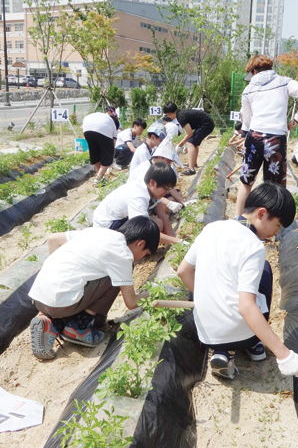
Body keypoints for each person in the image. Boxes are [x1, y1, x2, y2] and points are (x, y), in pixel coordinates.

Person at [177, 182, 298, 381]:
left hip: (206, 333)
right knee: (265, 271)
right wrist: (283, 354)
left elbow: (183, 271)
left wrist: (209, 299)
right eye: (277, 226)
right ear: (262, 213)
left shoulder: (211, 228)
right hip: (238, 333)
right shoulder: (254, 246)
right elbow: (246, 306)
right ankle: (254, 342)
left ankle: (224, 352)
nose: (275, 233)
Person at [28, 216, 159, 359]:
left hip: (39, 297)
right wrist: (154, 293)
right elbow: (132, 302)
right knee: (114, 276)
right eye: (146, 254)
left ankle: (53, 323)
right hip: (59, 304)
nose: (143, 258)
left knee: (95, 274)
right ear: (140, 244)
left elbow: (53, 239)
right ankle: (80, 327)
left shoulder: (97, 232)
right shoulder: (122, 253)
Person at [235, 54, 298, 218]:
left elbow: (247, 121)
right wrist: (297, 119)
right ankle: (272, 225)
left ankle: (239, 219)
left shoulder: (248, 89)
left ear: (254, 71)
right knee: (274, 186)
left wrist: (245, 136)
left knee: (246, 181)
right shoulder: (283, 82)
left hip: (254, 136)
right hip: (275, 138)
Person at [93, 162, 181, 244]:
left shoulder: (150, 190)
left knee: (158, 223)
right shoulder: (138, 196)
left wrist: (174, 241)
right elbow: (144, 230)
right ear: (152, 182)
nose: (166, 192)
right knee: (152, 228)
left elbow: (163, 216)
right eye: (166, 189)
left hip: (119, 220)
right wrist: (178, 242)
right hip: (107, 229)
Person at [163, 102, 215, 176]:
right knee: (194, 142)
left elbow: (189, 134)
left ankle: (191, 169)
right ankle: (194, 163)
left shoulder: (181, 117)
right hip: (205, 123)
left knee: (190, 143)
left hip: (206, 124)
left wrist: (180, 143)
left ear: (169, 114)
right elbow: (188, 131)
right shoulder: (180, 114)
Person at [129, 143, 186, 211]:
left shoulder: (160, 169)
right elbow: (151, 192)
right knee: (167, 204)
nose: (170, 165)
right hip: (143, 199)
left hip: (155, 193)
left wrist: (184, 203)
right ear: (160, 157)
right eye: (168, 161)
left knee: (178, 194)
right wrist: (169, 203)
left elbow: (169, 187)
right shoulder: (145, 170)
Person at [81, 111, 118, 185]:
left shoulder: (102, 117)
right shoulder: (113, 124)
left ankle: (100, 178)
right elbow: (112, 145)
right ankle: (98, 178)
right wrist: (110, 156)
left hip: (86, 129)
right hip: (102, 129)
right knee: (108, 155)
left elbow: (82, 127)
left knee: (95, 153)